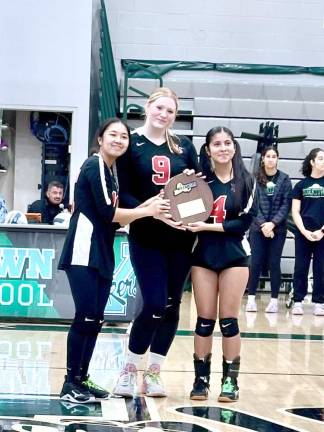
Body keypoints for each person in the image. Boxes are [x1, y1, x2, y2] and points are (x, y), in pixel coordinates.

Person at [58, 118, 169, 404]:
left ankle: (82, 378)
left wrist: (150, 205)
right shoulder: (94, 165)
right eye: (113, 135)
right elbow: (110, 213)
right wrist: (148, 212)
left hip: (102, 250)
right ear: (100, 139)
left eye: (124, 137)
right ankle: (70, 382)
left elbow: (118, 214)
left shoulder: (112, 172)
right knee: (85, 316)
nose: (119, 140)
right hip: (84, 249)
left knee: (95, 318)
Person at [114, 87, 199, 398]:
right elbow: (122, 192)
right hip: (146, 236)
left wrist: (186, 210)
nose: (164, 114)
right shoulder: (130, 144)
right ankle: (129, 369)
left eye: (170, 111)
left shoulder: (184, 146)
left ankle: (154, 373)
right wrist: (152, 212)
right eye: (160, 108)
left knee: (173, 305)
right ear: (148, 107)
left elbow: (196, 190)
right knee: (153, 302)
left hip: (180, 239)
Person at [186, 126, 256, 402]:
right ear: (208, 150)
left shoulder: (246, 181)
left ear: (235, 148)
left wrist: (207, 226)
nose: (223, 148)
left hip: (235, 255)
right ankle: (201, 380)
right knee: (204, 321)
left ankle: (230, 382)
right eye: (217, 144)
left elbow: (243, 223)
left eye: (228, 143)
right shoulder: (199, 182)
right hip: (203, 255)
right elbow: (186, 216)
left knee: (228, 321)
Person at [245, 146, 292, 313]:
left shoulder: (285, 179)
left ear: (277, 159)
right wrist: (263, 224)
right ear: (263, 159)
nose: (271, 159)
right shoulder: (253, 178)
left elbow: (286, 205)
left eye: (274, 156)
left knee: (274, 263)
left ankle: (273, 300)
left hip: (277, 230)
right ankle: (250, 299)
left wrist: (272, 224)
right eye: (268, 156)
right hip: (258, 228)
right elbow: (252, 204)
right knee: (255, 263)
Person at [291, 148, 324, 316]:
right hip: (303, 234)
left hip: (323, 234)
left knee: (321, 268)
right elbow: (295, 212)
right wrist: (304, 231)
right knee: (300, 268)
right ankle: (298, 301)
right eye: (320, 158)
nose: (323, 161)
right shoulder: (300, 185)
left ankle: (319, 302)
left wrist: (321, 231)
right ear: (312, 162)